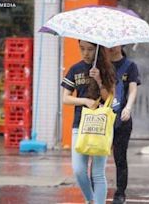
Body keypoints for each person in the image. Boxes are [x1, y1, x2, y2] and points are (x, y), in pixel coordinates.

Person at [61, 40, 116, 204]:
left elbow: (110, 99)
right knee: (78, 170)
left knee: (97, 173)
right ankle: (90, 199)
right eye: (82, 49)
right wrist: (84, 101)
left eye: (90, 49)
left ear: (97, 50)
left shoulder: (107, 69)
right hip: (80, 125)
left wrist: (99, 80)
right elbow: (65, 98)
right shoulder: (75, 69)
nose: (85, 53)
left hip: (101, 125)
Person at [104, 46, 140, 204]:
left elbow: (132, 90)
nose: (111, 47)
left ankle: (120, 193)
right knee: (97, 156)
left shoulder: (130, 66)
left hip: (122, 118)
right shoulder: (100, 66)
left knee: (120, 157)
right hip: (103, 117)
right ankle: (96, 189)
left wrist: (128, 107)